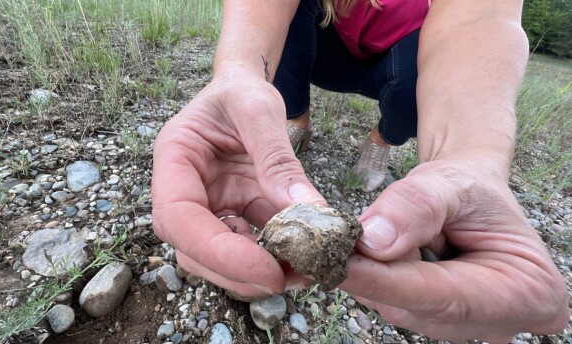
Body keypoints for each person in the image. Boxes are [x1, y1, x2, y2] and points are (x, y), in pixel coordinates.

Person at [151, 0, 569, 342]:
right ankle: (293, 120)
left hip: (402, 55)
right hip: (325, 37)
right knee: (293, 22)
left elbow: (480, 18)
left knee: (410, 91)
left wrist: (469, 162)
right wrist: (236, 76)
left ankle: (382, 141)